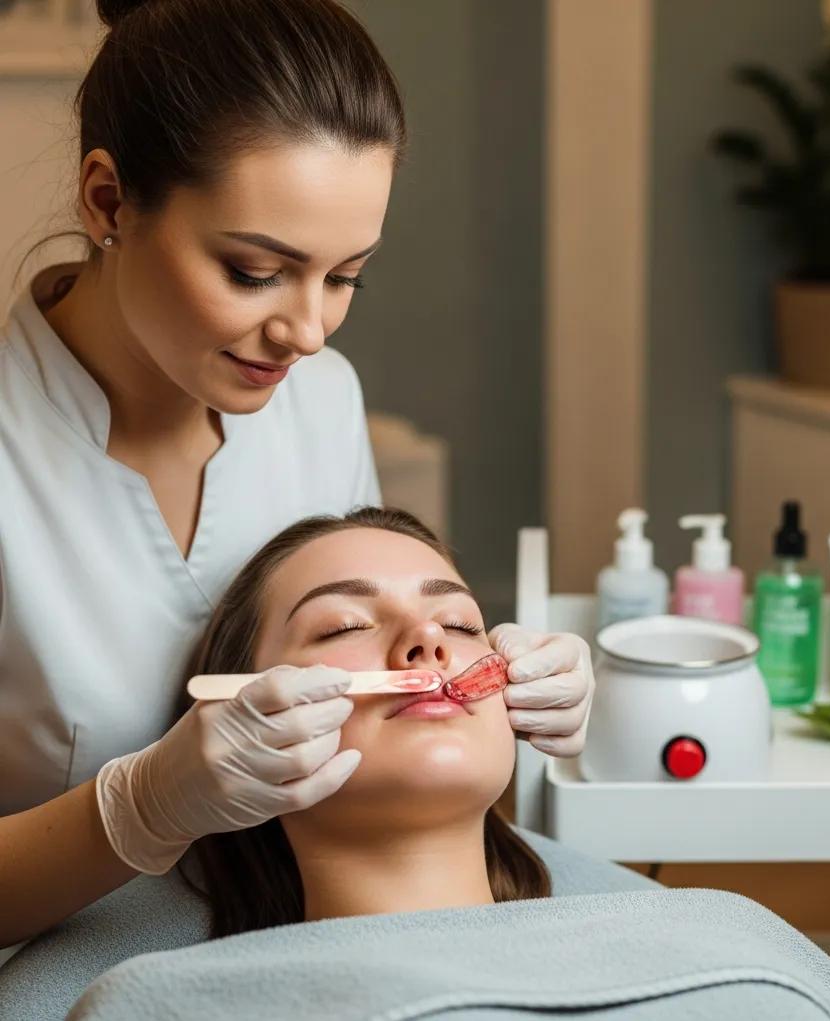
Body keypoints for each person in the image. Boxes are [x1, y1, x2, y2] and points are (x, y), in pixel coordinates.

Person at [0, 0, 593, 949]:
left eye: (346, 275)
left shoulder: (319, 400)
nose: (307, 331)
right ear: (108, 202)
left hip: (303, 936)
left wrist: (496, 681)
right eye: (253, 271)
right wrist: (138, 811)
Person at [182, 506, 551, 938]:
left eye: (460, 624)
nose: (430, 636)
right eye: (345, 626)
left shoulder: (642, 938)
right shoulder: (166, 1001)